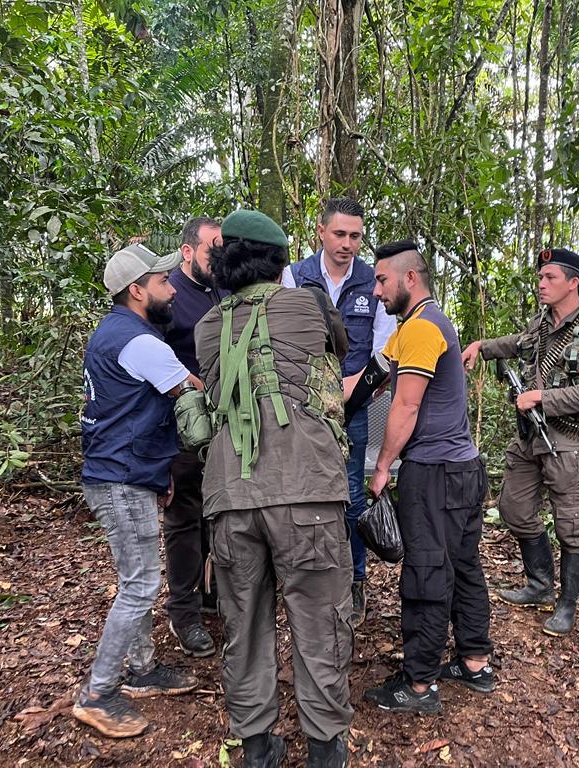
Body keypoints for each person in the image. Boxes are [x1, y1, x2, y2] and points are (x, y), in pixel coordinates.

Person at [194, 209, 353, 768]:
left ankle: (256, 748)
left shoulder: (206, 327)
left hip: (230, 500)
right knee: (321, 625)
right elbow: (338, 349)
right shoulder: (309, 306)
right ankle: (325, 752)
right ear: (280, 260)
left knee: (244, 626)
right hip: (306, 490)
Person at [363, 240, 494, 715]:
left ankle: (419, 686)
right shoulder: (422, 326)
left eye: (381, 280)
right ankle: (475, 662)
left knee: (426, 572)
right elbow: (371, 380)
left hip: (435, 472)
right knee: (462, 565)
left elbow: (406, 404)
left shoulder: (423, 329)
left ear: (409, 278)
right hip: (461, 468)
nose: (376, 290)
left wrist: (382, 469)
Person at [73, 244, 198, 738]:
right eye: (164, 282)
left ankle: (142, 669)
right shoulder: (140, 342)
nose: (172, 289)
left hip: (129, 471)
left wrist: (160, 471)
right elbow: (190, 389)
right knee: (141, 583)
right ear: (137, 290)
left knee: (138, 577)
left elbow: (132, 408)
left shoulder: (119, 332)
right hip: (120, 477)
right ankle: (99, 692)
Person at [461, 247, 579, 636]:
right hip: (530, 435)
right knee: (513, 508)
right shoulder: (542, 323)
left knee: (570, 525)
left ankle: (566, 605)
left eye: (550, 278)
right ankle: (539, 583)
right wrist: (483, 347)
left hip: (569, 441)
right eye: (541, 277)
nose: (541, 285)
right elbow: (519, 343)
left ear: (573, 283)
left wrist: (541, 398)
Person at [281, 197, 396, 627]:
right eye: (340, 234)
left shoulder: (373, 282)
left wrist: (354, 384)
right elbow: (282, 338)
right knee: (302, 494)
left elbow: (387, 350)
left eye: (355, 236)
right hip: (304, 409)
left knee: (349, 497)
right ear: (321, 232)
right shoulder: (295, 276)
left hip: (353, 408)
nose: (348, 243)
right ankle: (305, 580)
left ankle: (355, 581)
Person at [161, 216, 226, 658]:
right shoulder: (166, 294)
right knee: (184, 520)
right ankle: (183, 613)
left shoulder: (222, 289)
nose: (217, 258)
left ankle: (209, 595)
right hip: (181, 427)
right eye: (210, 250)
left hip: (222, 426)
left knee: (214, 516)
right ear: (187, 251)